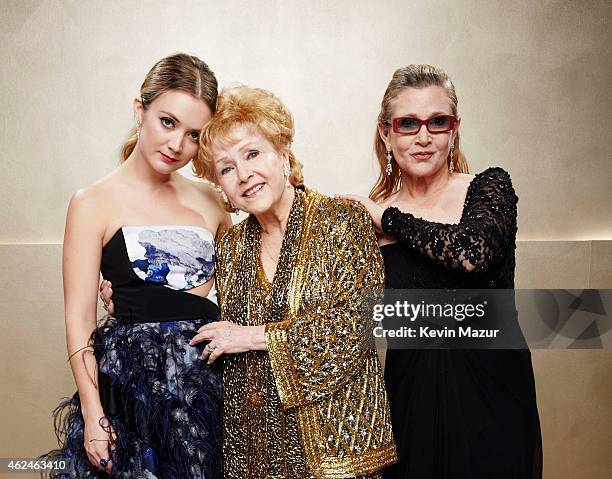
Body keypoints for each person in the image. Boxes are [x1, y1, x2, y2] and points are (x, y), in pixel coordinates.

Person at [340, 64, 542, 478]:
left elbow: (473, 253)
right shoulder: (366, 221)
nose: (423, 137)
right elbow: (345, 315)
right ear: (386, 132)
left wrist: (388, 219)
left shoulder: (489, 187)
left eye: (438, 122)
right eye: (408, 123)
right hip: (411, 395)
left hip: (493, 392)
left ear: (454, 129)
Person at [189, 85, 397, 478]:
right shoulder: (230, 247)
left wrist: (256, 336)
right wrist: (129, 296)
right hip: (254, 455)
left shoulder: (341, 221)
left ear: (283, 154)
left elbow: (360, 323)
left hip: (337, 450)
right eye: (227, 167)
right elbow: (197, 307)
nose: (244, 174)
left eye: (252, 154)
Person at [41, 53, 228, 478]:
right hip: (131, 395)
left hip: (208, 393)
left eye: (194, 134)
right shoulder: (92, 202)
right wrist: (93, 415)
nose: (178, 145)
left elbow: (240, 288)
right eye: (168, 122)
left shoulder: (212, 200)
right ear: (139, 109)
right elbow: (78, 321)